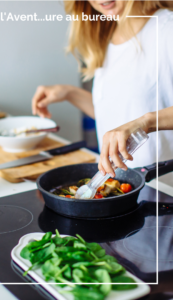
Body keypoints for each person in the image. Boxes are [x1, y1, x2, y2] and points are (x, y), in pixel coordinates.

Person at [32, 0, 173, 182]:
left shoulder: (167, 30)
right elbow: (118, 116)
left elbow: (138, 121)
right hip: (123, 188)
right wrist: (70, 93)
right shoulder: (108, 34)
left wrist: (146, 122)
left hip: (164, 191)